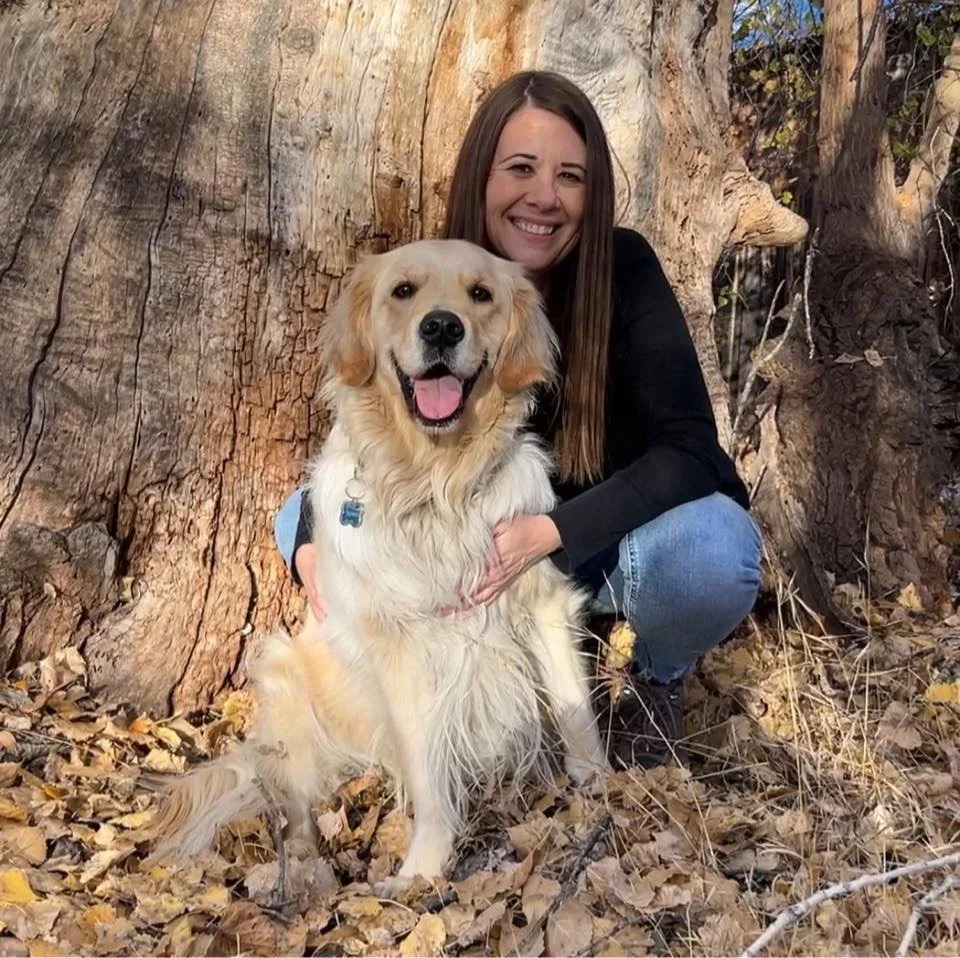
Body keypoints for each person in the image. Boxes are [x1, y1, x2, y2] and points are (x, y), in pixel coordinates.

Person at [272, 71, 762, 768]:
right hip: (472, 551)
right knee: (298, 514)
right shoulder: (438, 278)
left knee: (714, 549)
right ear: (482, 175)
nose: (544, 197)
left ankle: (649, 684)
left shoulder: (622, 268)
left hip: (590, 547)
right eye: (522, 169)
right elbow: (363, 418)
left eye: (570, 176)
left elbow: (689, 450)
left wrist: (552, 532)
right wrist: (313, 540)